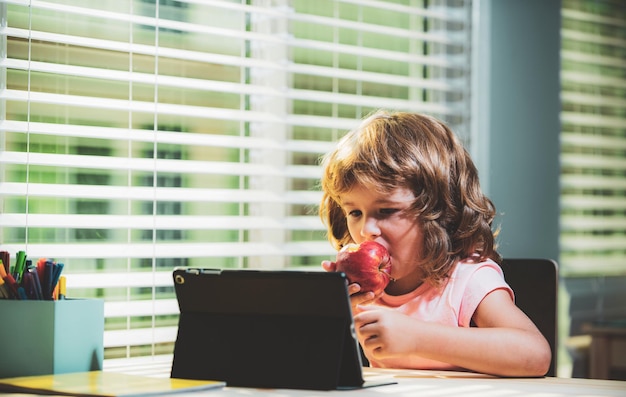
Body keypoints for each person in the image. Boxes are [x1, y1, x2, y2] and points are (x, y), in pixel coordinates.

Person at [319, 110, 551, 377]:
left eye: (386, 211)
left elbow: (535, 354)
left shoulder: (466, 279)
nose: (366, 230)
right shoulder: (362, 291)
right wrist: (331, 310)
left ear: (439, 212)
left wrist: (417, 337)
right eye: (355, 213)